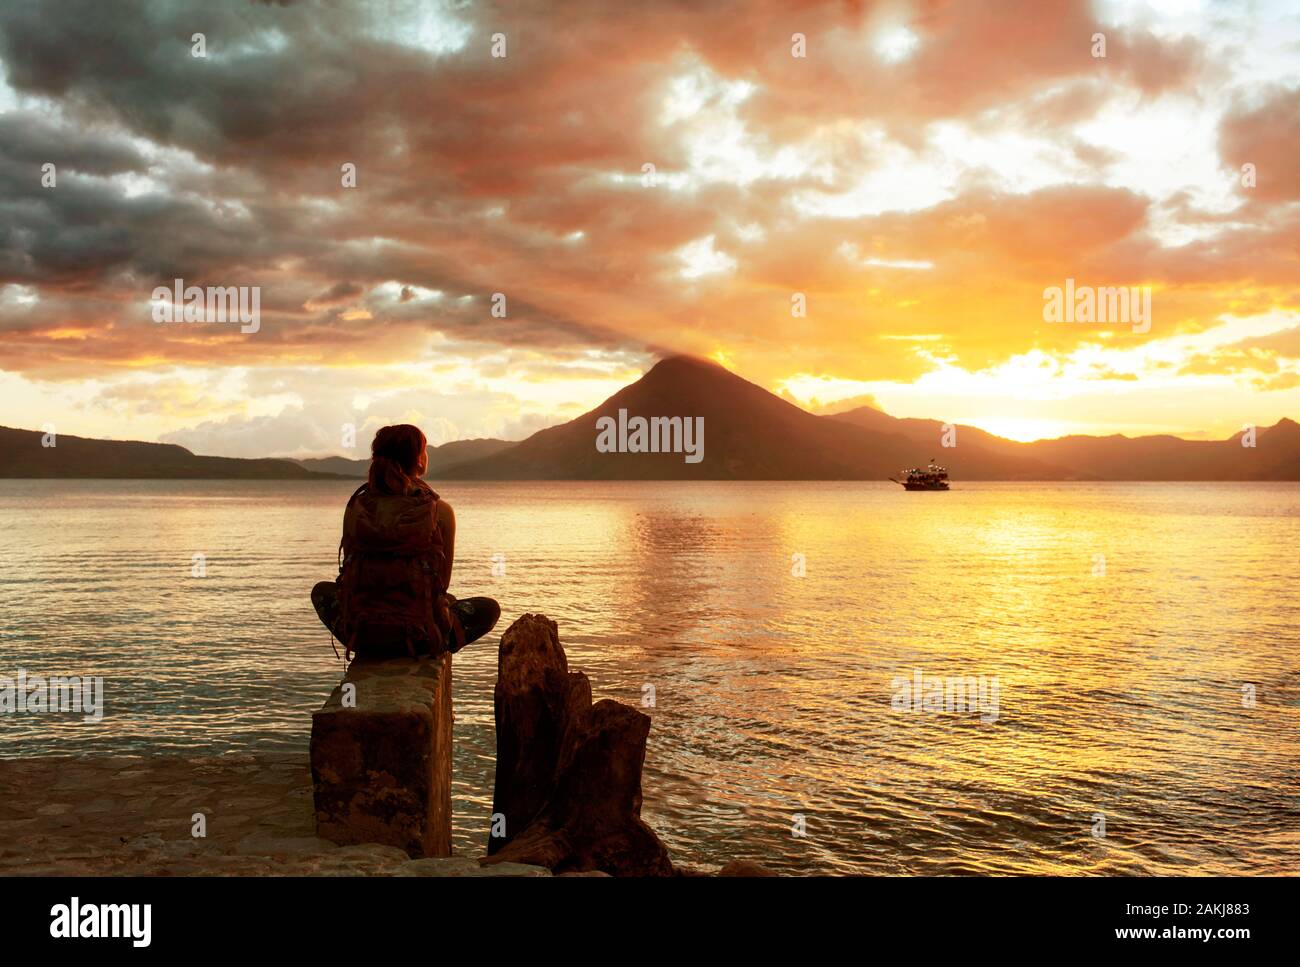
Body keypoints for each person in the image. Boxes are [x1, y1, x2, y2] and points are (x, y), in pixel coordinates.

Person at [311, 424, 500, 660]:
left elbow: (348, 576)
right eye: (425, 450)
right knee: (488, 608)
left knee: (321, 591)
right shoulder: (439, 511)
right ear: (419, 460)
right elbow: (442, 582)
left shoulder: (356, 509)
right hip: (419, 638)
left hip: (363, 635)